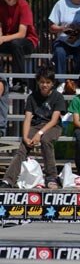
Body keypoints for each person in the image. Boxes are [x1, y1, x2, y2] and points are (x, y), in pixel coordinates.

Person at [0, 63, 65, 191]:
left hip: (52, 126)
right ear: (37, 82)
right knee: (23, 147)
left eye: (47, 82)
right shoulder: (32, 97)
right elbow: (28, 118)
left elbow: (54, 120)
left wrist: (39, 134)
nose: (44, 85)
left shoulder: (58, 97)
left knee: (46, 141)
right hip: (36, 125)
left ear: (52, 83)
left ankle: (51, 177)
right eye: (42, 82)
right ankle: (8, 180)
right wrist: (25, 136)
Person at [0, 0, 38, 78]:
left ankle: (20, 82)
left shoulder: (23, 6)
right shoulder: (1, 5)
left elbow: (22, 34)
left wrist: (3, 38)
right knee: (13, 44)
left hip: (27, 41)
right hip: (9, 40)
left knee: (16, 44)